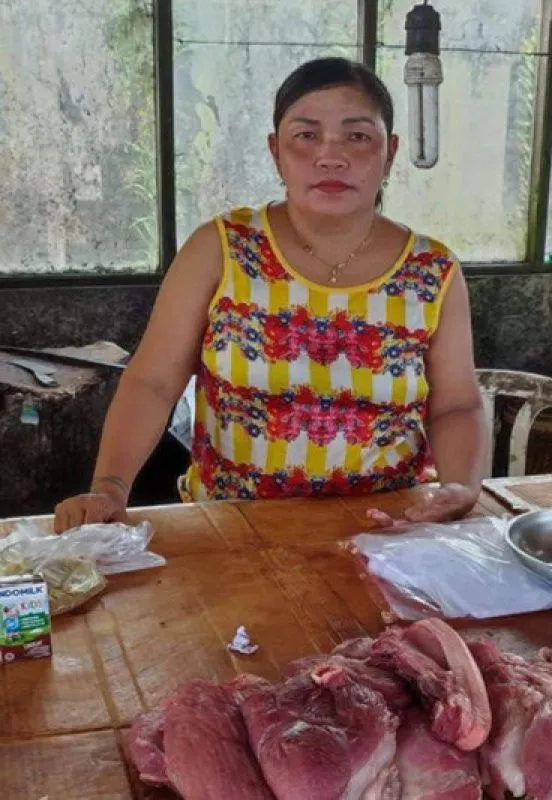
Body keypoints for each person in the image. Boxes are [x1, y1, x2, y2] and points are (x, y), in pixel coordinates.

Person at [53, 57, 489, 534]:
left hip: (389, 531)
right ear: (275, 150)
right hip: (232, 529)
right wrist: (110, 487)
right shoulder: (222, 249)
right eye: (306, 135)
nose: (331, 156)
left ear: (390, 153)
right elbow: (153, 381)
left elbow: (457, 404)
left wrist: (461, 487)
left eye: (357, 136)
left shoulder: (432, 271)